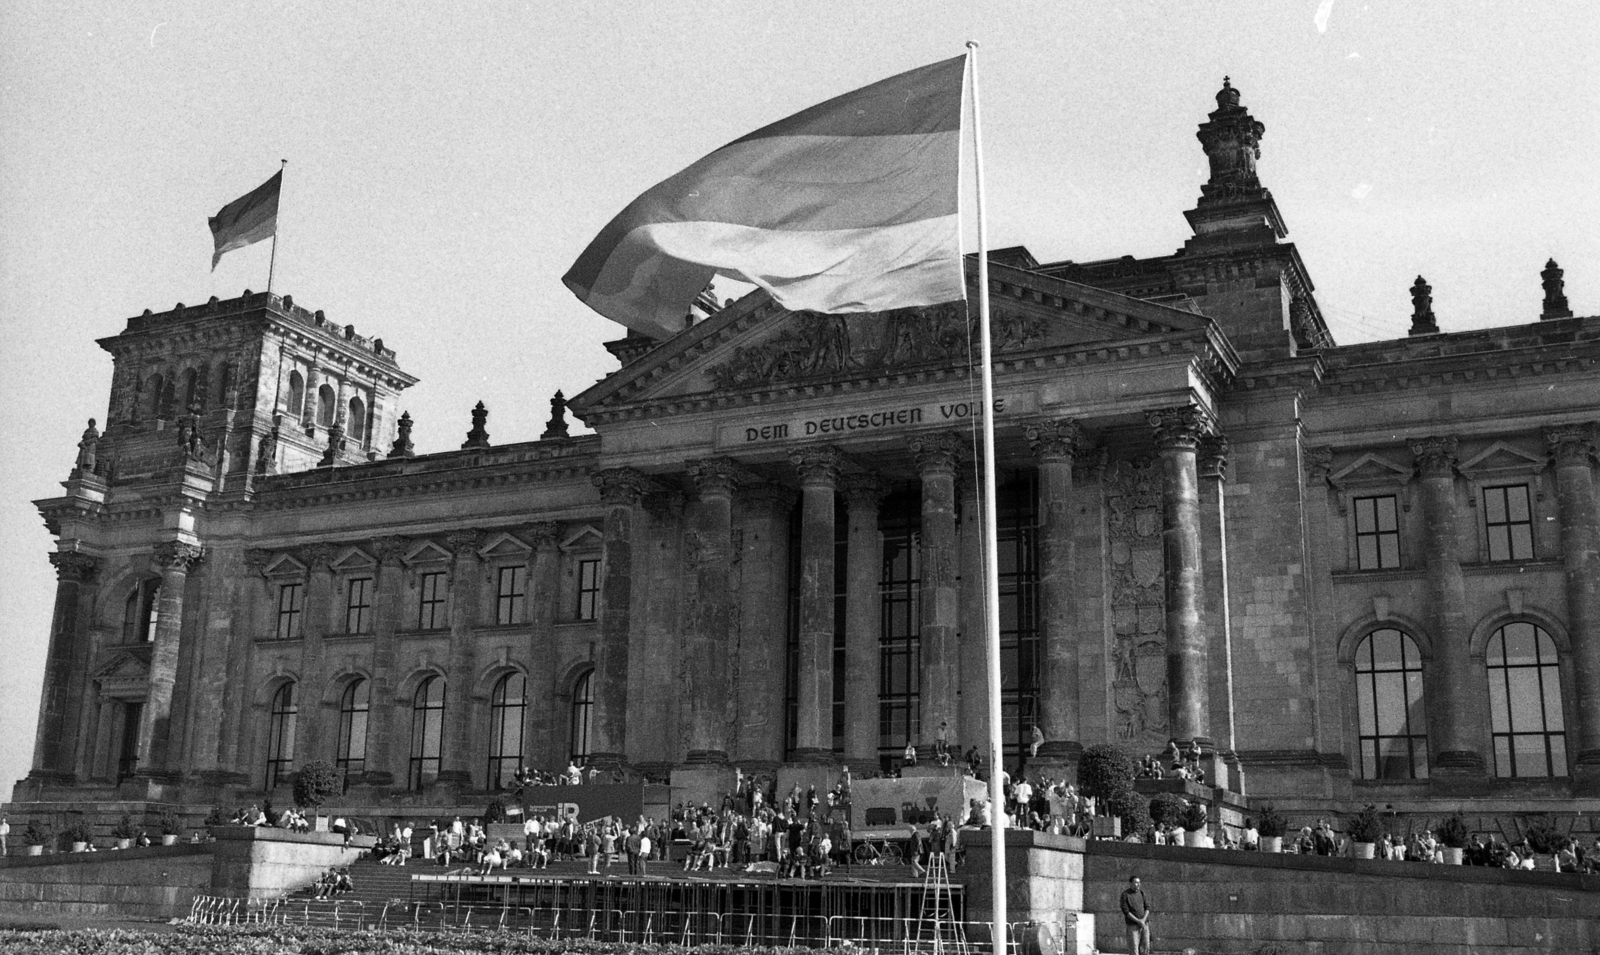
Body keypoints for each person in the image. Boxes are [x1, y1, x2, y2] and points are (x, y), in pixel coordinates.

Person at [1119, 875, 1152, 955]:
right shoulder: (1125, 895)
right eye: (1136, 882)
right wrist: (1138, 921)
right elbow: (1126, 911)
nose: (1138, 884)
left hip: (1144, 925)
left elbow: (1147, 908)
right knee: (1134, 949)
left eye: (1139, 882)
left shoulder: (1142, 893)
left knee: (1145, 948)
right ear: (1130, 883)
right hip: (1132, 926)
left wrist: (1143, 920)